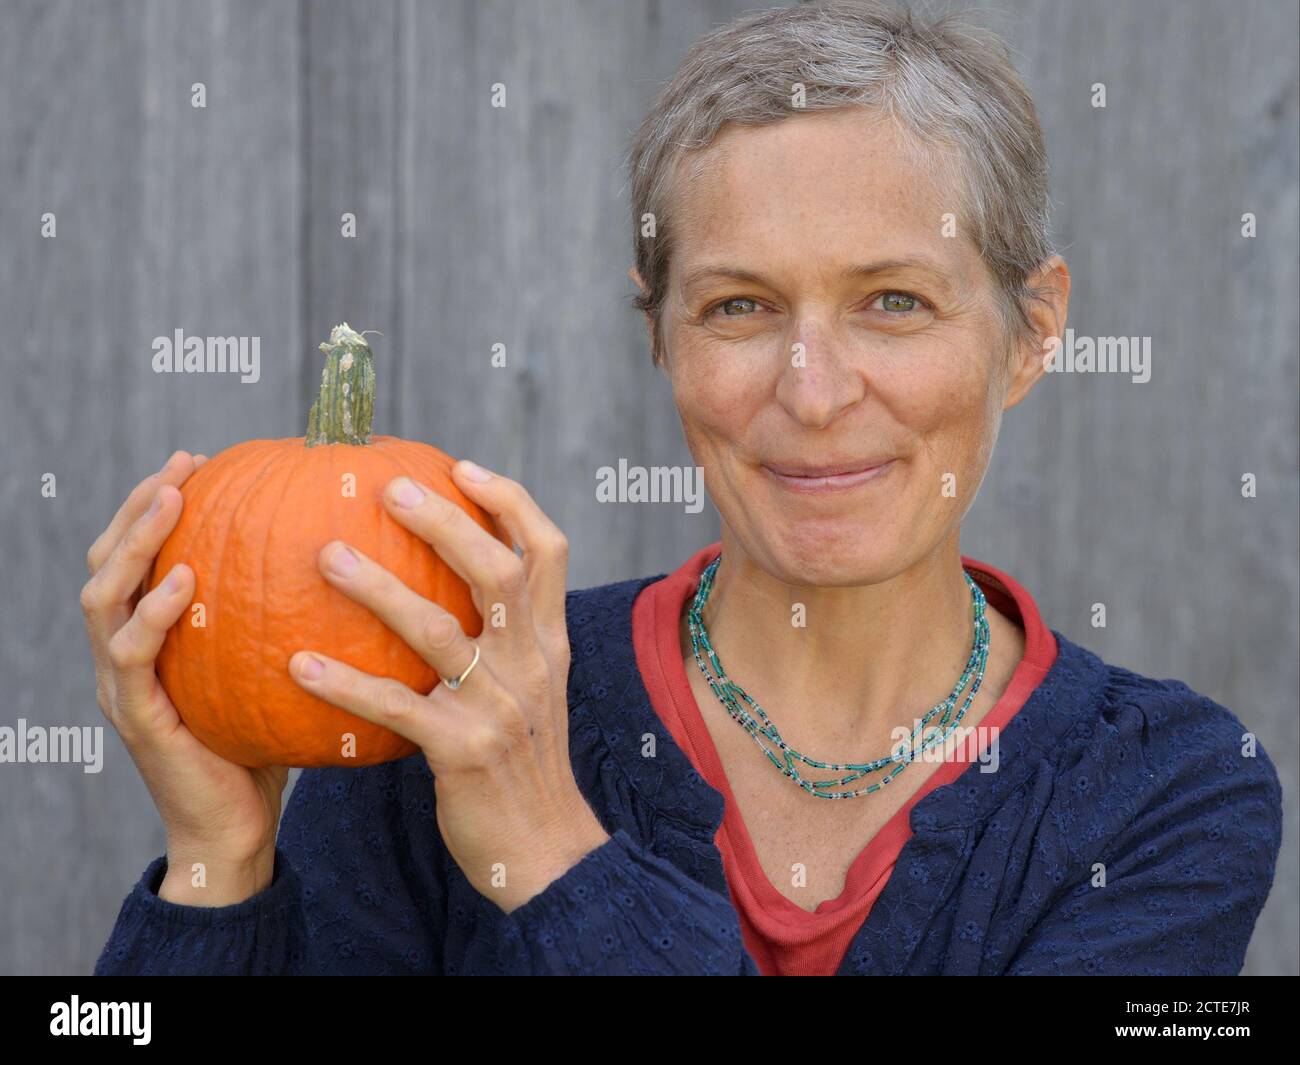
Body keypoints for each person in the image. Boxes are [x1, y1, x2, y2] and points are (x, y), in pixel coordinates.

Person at [86, 0, 1281, 976]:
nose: (812, 393)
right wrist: (216, 866)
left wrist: (551, 853)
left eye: (895, 301)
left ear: (1031, 332)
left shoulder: (1165, 792)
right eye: (739, 308)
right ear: (660, 338)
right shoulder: (444, 704)